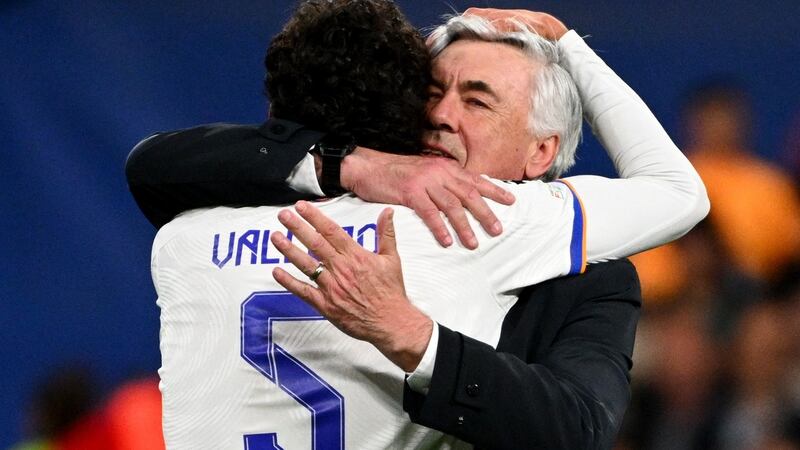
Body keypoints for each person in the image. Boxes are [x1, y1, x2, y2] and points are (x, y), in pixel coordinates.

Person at [128, 3, 709, 449]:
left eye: (477, 102)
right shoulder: (488, 225)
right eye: (430, 93)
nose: (439, 114)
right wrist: (356, 164)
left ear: (541, 153)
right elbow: (676, 190)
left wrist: (419, 339)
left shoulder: (183, 234)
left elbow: (577, 428)